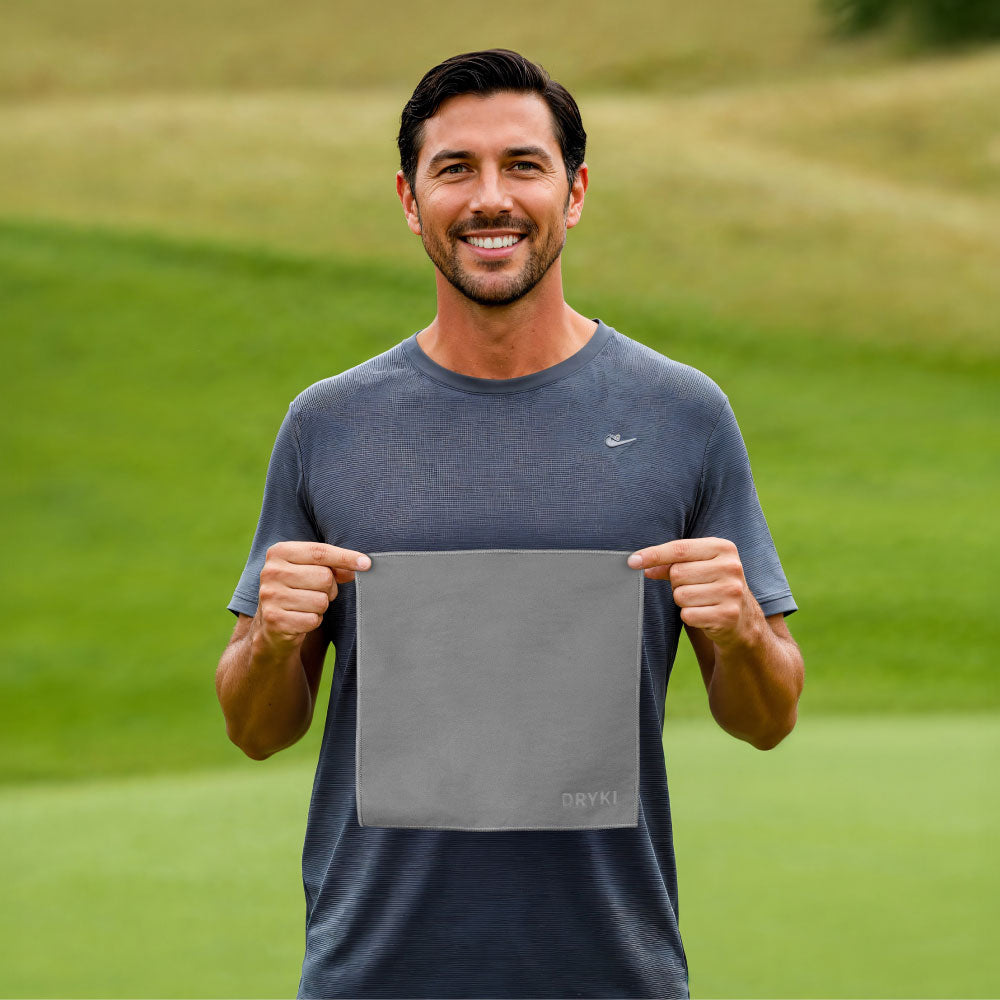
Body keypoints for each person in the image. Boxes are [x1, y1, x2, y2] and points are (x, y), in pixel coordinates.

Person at [216, 48, 804, 1000]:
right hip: (374, 978)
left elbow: (768, 719)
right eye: (455, 169)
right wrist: (271, 644)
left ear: (574, 192)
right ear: (410, 200)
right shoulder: (327, 425)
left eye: (523, 165)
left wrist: (740, 630)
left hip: (610, 976)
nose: (491, 198)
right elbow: (254, 729)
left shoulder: (683, 415)